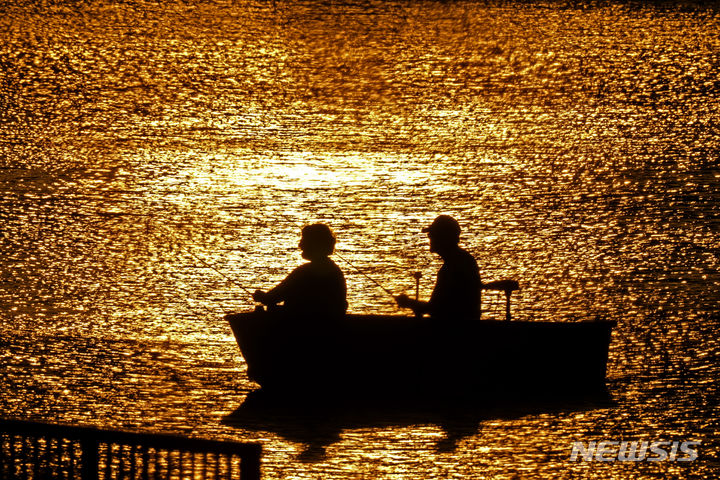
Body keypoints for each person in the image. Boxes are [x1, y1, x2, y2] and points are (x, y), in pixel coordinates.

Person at [395, 215, 481, 321]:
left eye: (432, 235)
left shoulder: (454, 267)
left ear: (443, 238)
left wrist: (409, 303)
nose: (429, 238)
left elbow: (436, 308)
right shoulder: (462, 261)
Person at [253, 223, 348, 318]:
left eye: (304, 241)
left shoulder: (304, 272)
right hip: (332, 321)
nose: (300, 245)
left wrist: (261, 297)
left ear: (315, 244)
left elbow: (275, 296)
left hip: (304, 322)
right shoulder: (335, 270)